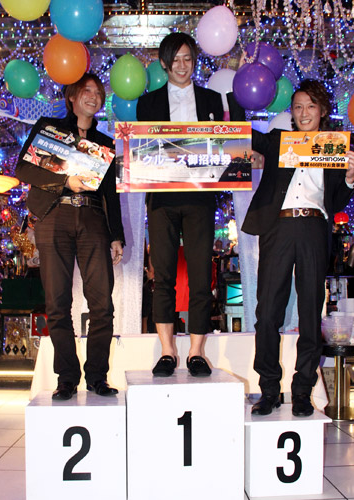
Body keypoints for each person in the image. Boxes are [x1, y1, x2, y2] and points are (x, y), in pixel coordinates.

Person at [228, 79, 354, 416]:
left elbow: (336, 200)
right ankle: (269, 389)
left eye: (310, 106)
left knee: (310, 311)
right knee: (267, 313)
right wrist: (237, 83)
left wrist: (349, 177)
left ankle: (302, 390)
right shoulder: (278, 141)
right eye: (298, 106)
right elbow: (242, 131)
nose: (304, 113)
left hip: (314, 228)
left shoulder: (333, 148)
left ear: (322, 111)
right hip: (278, 226)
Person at [15, 73, 125, 400]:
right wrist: (64, 182)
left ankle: (97, 377)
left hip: (93, 219)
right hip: (55, 216)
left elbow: (111, 194)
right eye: (86, 91)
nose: (93, 96)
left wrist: (116, 236)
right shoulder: (50, 129)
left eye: (98, 92)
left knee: (102, 304)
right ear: (72, 98)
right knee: (57, 303)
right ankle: (66, 378)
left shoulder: (104, 143)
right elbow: (24, 169)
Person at [136, 32, 224, 377]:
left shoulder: (212, 100)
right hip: (162, 199)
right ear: (164, 63)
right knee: (163, 277)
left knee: (201, 274)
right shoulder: (148, 104)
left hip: (200, 197)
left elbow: (224, 148)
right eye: (176, 60)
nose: (182, 65)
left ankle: (197, 351)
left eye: (188, 58)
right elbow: (141, 150)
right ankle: (168, 350)